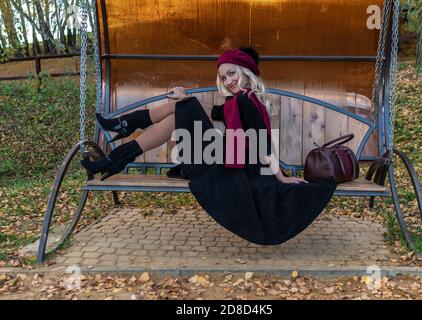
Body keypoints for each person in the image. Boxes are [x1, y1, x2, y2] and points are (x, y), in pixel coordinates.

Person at [81, 46, 337, 245]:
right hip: (224, 158)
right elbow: (212, 112)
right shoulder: (237, 101)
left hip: (230, 167)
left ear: (245, 71)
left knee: (184, 106)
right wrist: (189, 101)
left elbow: (262, 140)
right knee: (178, 114)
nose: (228, 81)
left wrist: (280, 176)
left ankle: (121, 134)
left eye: (232, 74)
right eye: (223, 77)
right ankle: (118, 148)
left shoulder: (246, 101)